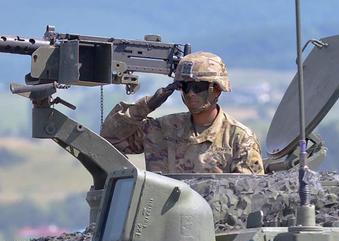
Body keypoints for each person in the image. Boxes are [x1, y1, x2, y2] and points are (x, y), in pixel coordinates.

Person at [101, 51, 264, 175]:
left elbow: (248, 195)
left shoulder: (239, 138)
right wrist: (147, 105)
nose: (191, 93)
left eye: (198, 87)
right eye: (185, 87)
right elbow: (111, 138)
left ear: (217, 90)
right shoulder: (162, 129)